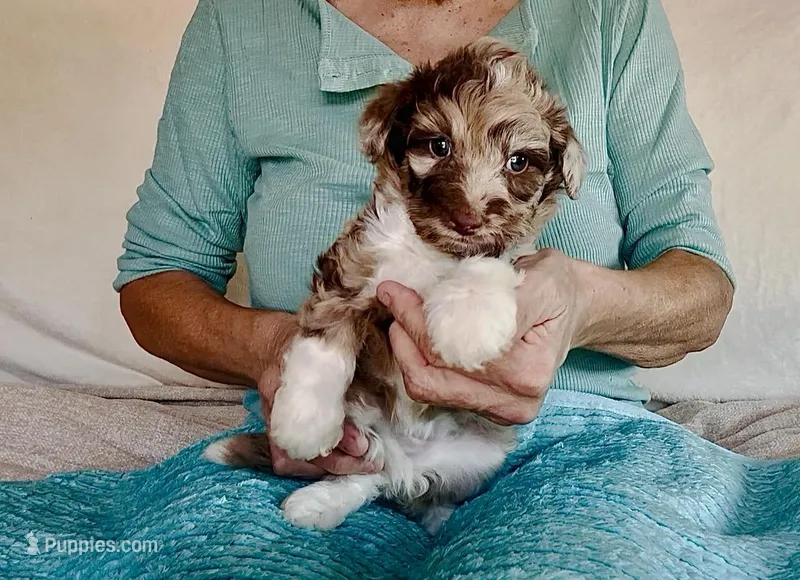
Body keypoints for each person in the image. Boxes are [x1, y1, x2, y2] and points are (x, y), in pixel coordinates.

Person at [115, 0, 734, 480]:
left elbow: (702, 291)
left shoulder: (608, 13)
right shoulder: (244, 18)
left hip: (574, 443)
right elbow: (157, 277)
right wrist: (292, 348)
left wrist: (582, 304)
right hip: (339, 440)